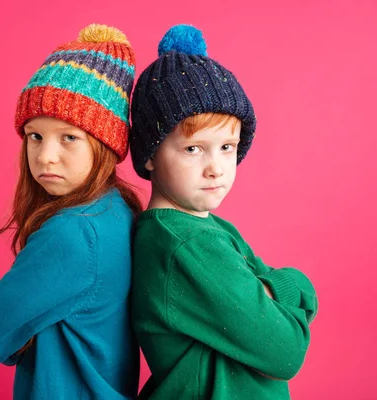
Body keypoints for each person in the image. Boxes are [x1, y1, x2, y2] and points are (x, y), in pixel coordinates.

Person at [129, 24, 318, 399]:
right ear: (150, 154)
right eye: (193, 149)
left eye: (227, 147)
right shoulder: (187, 245)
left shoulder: (206, 228)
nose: (216, 167)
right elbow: (286, 351)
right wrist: (290, 283)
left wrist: (270, 288)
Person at [0, 23, 141, 400]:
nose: (45, 156)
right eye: (34, 136)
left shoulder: (74, 233)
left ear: (105, 144)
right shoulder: (117, 211)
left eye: (69, 137)